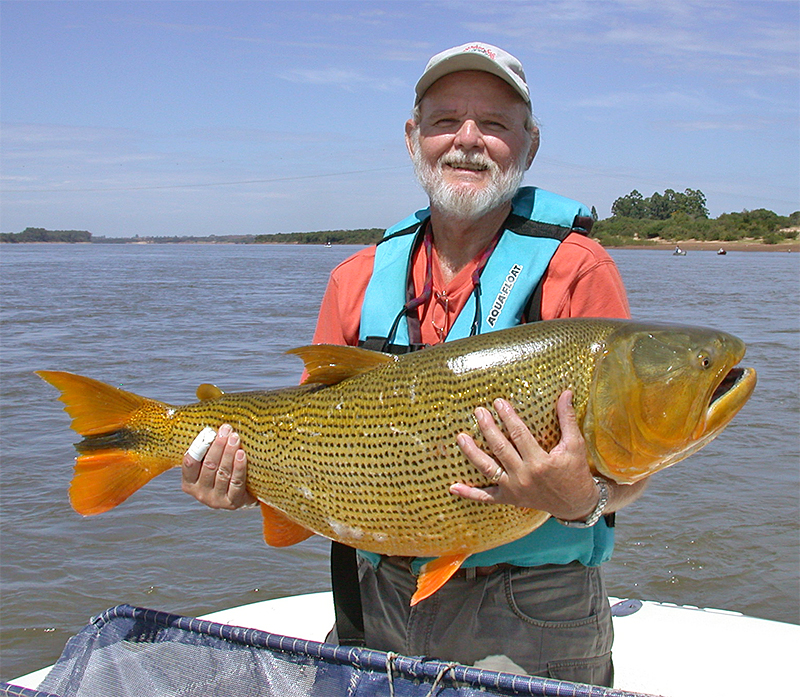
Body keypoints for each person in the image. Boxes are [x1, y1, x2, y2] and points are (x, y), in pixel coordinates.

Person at [181, 42, 647, 686]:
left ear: (530, 145)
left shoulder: (577, 271)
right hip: (374, 597)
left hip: (531, 609)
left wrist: (582, 500)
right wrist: (237, 479)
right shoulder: (357, 277)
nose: (468, 140)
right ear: (413, 137)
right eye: (445, 120)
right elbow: (305, 443)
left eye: (495, 124)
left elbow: (627, 459)